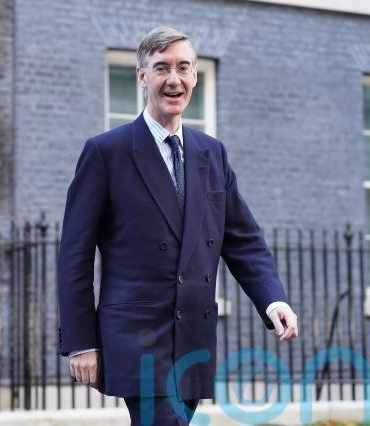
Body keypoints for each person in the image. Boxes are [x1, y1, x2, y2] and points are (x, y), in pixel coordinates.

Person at [57, 26, 298, 426]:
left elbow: (243, 240)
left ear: (194, 77)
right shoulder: (106, 152)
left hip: (193, 339)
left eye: (183, 67)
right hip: (136, 338)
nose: (174, 79)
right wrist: (81, 341)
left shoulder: (212, 153)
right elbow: (74, 256)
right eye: (162, 68)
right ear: (142, 77)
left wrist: (274, 301)